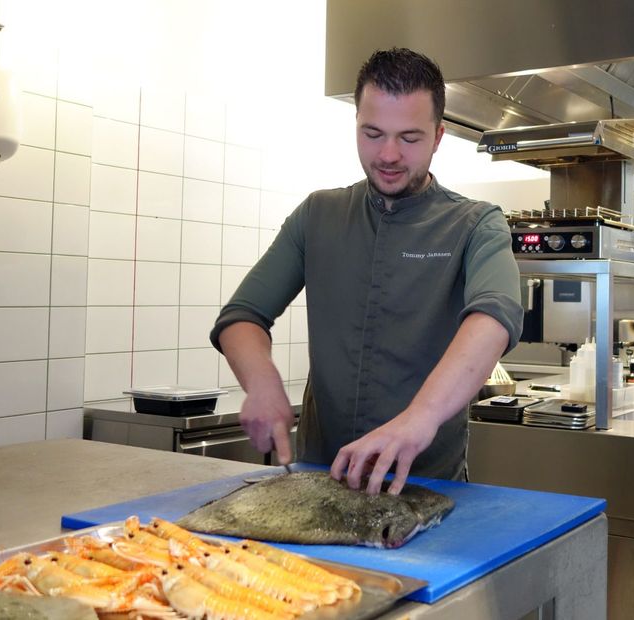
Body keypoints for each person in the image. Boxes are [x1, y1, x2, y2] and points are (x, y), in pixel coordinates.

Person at [210, 48, 523, 497]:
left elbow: (495, 317)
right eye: (372, 133)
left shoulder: (475, 223)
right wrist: (262, 384)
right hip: (319, 481)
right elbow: (242, 315)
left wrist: (420, 419)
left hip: (425, 486)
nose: (389, 154)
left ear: (439, 136)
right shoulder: (319, 214)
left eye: (410, 138)